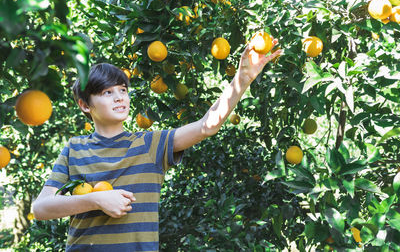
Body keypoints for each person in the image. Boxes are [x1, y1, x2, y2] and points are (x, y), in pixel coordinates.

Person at [32, 40, 281, 251]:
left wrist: (243, 78)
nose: (119, 96)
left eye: (122, 89)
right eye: (107, 93)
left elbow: (208, 125)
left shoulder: (151, 144)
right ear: (85, 105)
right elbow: (41, 208)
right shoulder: (75, 149)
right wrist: (97, 200)